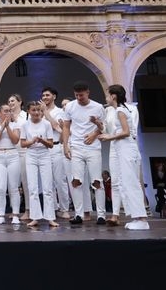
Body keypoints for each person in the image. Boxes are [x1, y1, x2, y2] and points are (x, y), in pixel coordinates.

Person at [97, 84, 150, 230]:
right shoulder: (118, 110)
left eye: (108, 95)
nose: (106, 97)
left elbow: (126, 132)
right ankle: (137, 217)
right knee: (125, 182)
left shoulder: (120, 110)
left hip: (127, 148)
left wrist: (109, 137)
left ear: (114, 96)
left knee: (131, 182)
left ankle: (142, 219)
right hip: (123, 148)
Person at [62, 80, 107, 225]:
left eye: (81, 95)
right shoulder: (70, 106)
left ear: (87, 92)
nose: (79, 98)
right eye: (76, 95)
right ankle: (79, 214)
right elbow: (66, 127)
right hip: (76, 146)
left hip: (93, 147)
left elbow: (103, 127)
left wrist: (94, 133)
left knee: (96, 181)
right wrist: (65, 146)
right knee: (76, 181)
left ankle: (101, 214)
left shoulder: (98, 107)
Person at [20, 100, 58, 228]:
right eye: (34, 110)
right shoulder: (25, 125)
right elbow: (23, 144)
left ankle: (50, 218)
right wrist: (32, 141)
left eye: (38, 110)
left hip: (44, 155)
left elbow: (51, 144)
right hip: (31, 155)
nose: (36, 113)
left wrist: (42, 140)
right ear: (29, 111)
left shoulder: (46, 124)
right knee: (33, 188)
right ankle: (35, 217)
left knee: (47, 188)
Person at [0, 104, 22, 225]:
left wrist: (8, 127)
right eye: (6, 111)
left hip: (13, 155)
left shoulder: (15, 125)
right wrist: (2, 127)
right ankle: (1, 215)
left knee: (13, 187)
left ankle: (16, 215)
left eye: (10, 111)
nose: (8, 113)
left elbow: (15, 140)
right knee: (1, 187)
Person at [41, 86, 71, 218]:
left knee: (60, 180)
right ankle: (52, 208)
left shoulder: (59, 112)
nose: (44, 98)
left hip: (56, 147)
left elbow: (57, 127)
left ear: (54, 96)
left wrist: (45, 113)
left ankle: (64, 208)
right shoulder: (39, 113)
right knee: (47, 182)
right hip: (43, 149)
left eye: (47, 95)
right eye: (43, 96)